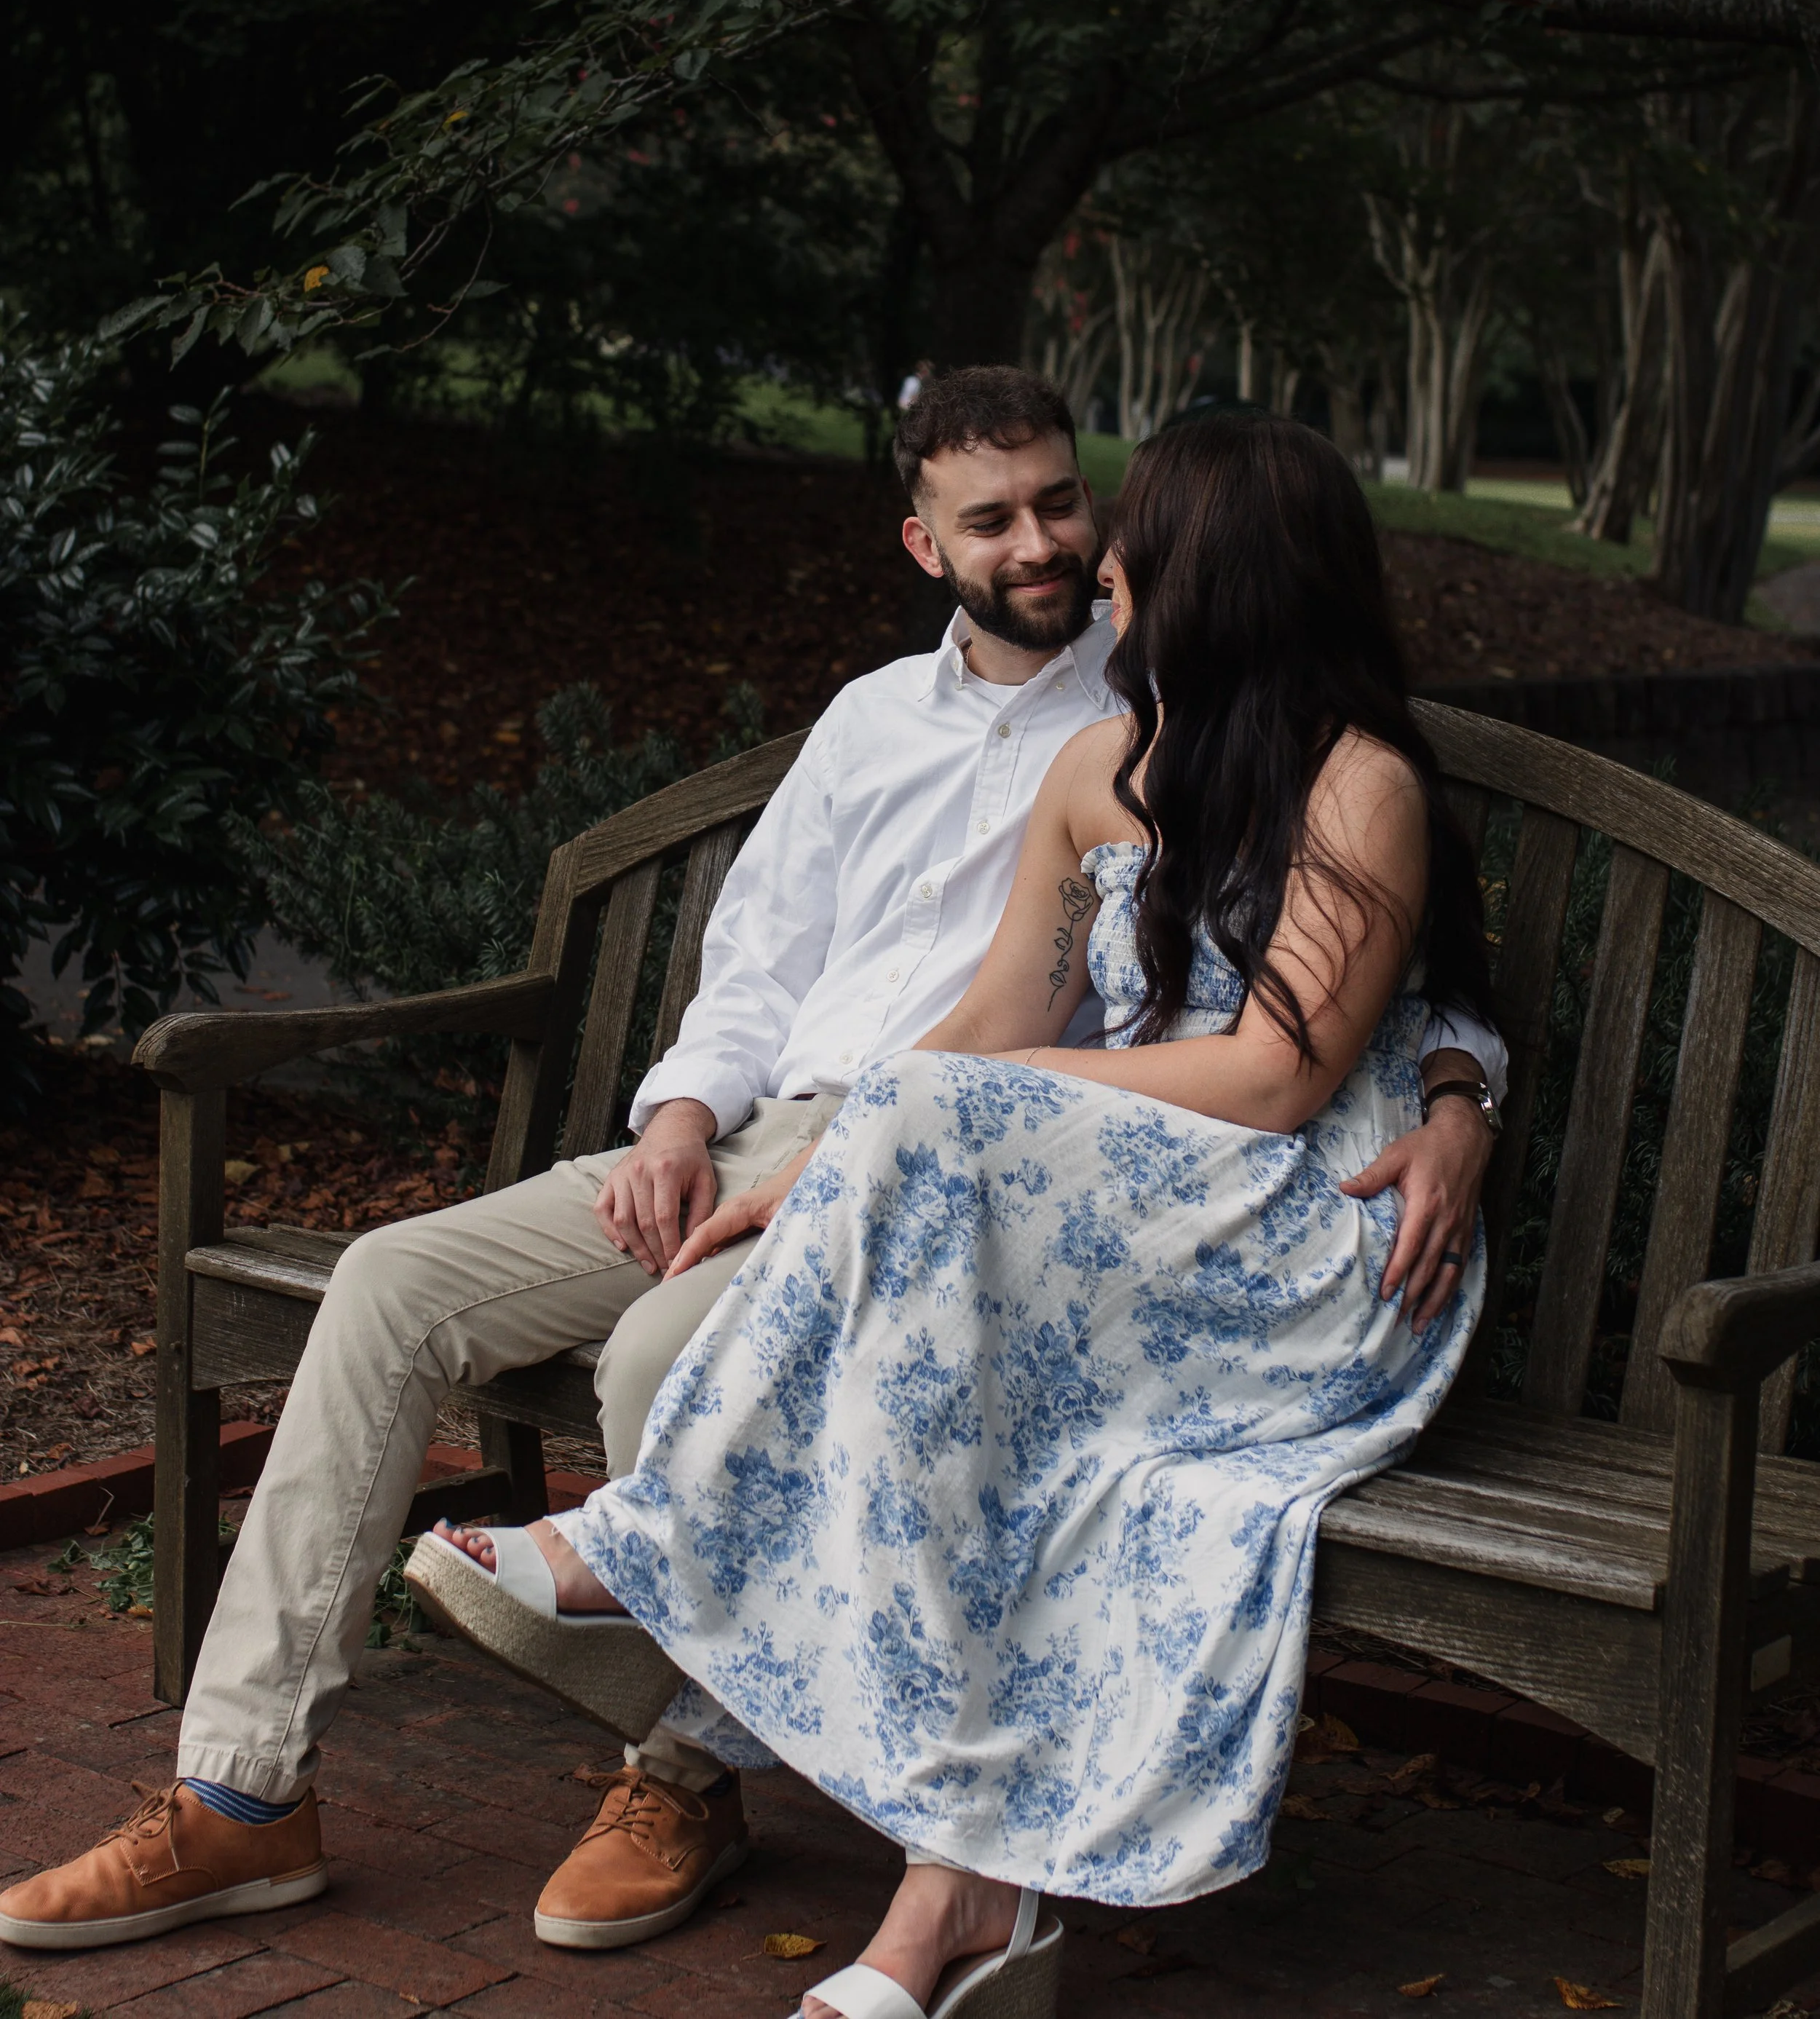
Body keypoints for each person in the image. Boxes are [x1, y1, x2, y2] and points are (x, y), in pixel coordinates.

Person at [0, 371, 1501, 1966]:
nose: (1069, 548)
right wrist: (682, 1121)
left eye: (1078, 509)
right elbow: (794, 965)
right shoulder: (910, 727)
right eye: (998, 518)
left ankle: (680, 1764)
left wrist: (1460, 1089)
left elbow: (1342, 1006)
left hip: (1033, 1166)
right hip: (825, 1129)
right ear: (921, 543)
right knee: (387, 1280)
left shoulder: (1225, 732)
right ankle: (240, 1796)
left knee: (672, 1343)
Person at [456, 408, 1501, 2019]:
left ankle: (666, 1536)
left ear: (1216, 573)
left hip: (1301, 1239)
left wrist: (960, 1113)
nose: (1106, 564)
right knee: (1003, 1416)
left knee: (997, 1348)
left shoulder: (1356, 783)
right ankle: (952, 1918)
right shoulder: (1104, 762)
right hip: (1138, 1213)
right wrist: (836, 1157)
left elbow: (1287, 1079)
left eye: (1135, 536)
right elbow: (1002, 1013)